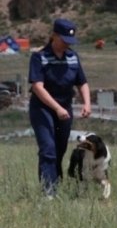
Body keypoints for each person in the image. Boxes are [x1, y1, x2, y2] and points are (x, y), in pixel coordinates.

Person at [28, 18, 92, 197]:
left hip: (65, 109)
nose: (66, 45)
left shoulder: (73, 58)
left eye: (69, 42)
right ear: (54, 36)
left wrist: (87, 103)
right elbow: (37, 87)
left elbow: (82, 83)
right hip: (43, 109)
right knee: (48, 148)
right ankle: (49, 191)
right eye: (64, 40)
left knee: (59, 149)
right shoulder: (39, 57)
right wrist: (56, 108)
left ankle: (56, 184)